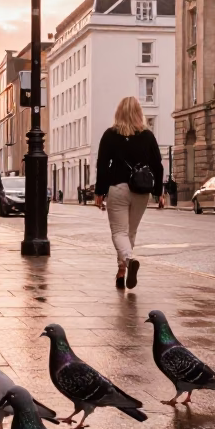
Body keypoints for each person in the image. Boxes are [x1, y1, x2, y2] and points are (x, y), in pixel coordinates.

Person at [93, 97, 164, 290]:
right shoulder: (147, 136)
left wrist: (100, 191)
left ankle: (128, 260)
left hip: (118, 189)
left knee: (119, 232)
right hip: (141, 191)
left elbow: (102, 165)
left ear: (119, 113)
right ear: (139, 113)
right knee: (130, 232)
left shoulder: (110, 135)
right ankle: (122, 271)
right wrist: (159, 192)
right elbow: (158, 165)